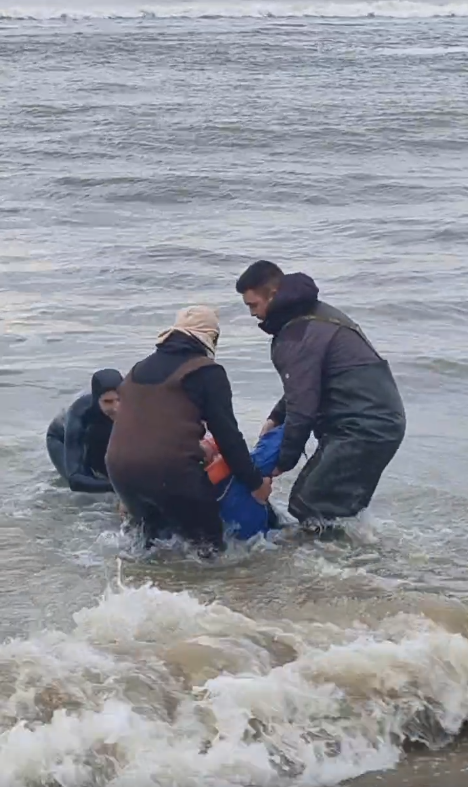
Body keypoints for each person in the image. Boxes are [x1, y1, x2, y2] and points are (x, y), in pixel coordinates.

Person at [235, 260, 406, 530]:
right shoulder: (312, 316)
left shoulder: (296, 333)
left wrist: (282, 463)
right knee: (331, 506)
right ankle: (356, 550)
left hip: (365, 427)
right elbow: (309, 384)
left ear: (273, 294)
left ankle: (333, 555)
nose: (252, 314)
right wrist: (277, 416)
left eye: (253, 305)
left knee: (308, 503)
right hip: (379, 422)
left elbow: (303, 410)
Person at [105, 305, 272, 554]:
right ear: (211, 337)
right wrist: (255, 483)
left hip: (120, 469)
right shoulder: (206, 371)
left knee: (150, 546)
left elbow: (150, 428)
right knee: (209, 549)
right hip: (170, 472)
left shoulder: (137, 369)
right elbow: (227, 436)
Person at [46, 369, 123, 493]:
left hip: (101, 430)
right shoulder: (80, 414)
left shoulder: (136, 405)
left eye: (119, 400)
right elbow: (75, 480)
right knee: (88, 487)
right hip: (60, 438)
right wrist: (120, 488)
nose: (116, 408)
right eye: (108, 402)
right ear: (96, 400)